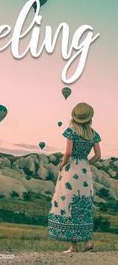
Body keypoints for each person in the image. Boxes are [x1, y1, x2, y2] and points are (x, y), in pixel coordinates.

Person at [48, 102, 101, 252]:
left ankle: (74, 246)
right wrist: (86, 163)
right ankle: (88, 242)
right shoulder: (93, 134)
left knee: (69, 202)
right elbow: (98, 156)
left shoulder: (71, 131)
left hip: (71, 171)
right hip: (84, 171)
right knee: (85, 204)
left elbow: (68, 152)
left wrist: (62, 164)